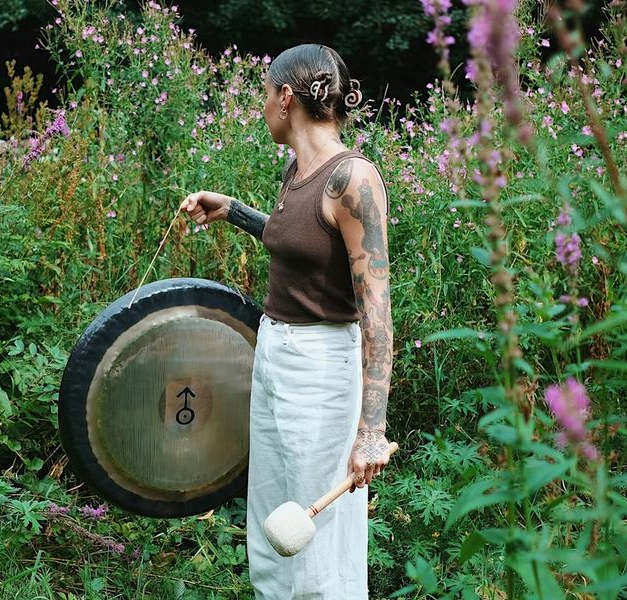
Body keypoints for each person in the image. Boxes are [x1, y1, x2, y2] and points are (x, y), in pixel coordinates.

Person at [179, 44, 394, 599]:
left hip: (321, 368)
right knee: (272, 519)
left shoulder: (352, 180)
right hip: (275, 353)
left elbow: (377, 312)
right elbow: (297, 243)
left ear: (286, 97)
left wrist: (370, 431)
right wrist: (234, 211)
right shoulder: (299, 168)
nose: (263, 107)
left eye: (265, 95)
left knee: (316, 533)